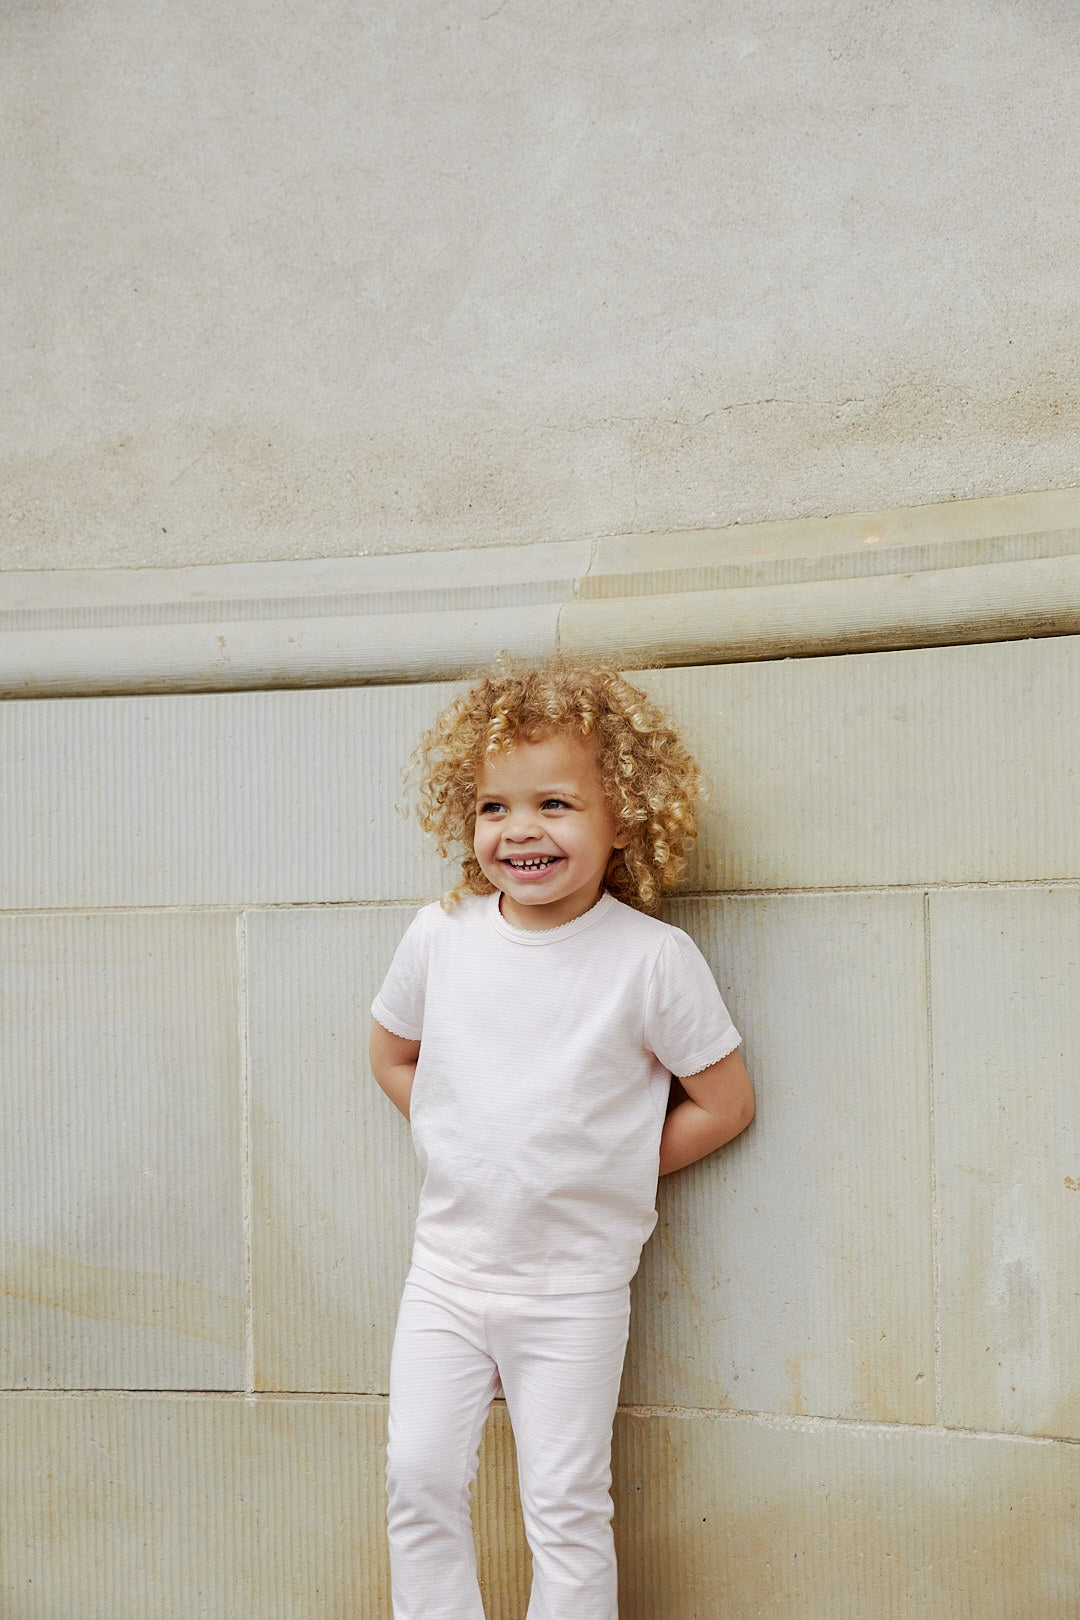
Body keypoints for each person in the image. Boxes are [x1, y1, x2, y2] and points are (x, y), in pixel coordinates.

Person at [369, 654, 756, 1620]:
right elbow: (391, 1055)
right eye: (495, 808)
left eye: (555, 803)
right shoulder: (442, 936)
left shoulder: (651, 961)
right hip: (448, 1277)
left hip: (573, 1289)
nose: (521, 830)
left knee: (566, 1506)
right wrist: (468, 1139)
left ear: (621, 819)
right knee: (417, 1480)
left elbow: (726, 1101)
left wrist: (608, 1163)